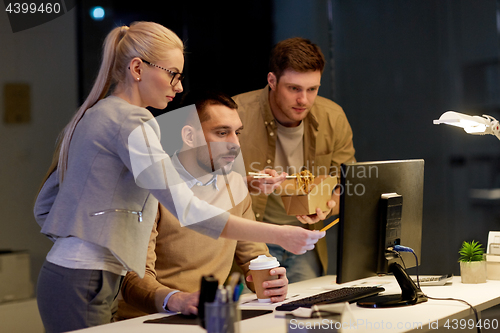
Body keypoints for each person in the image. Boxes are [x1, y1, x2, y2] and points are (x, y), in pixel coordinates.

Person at [33, 23, 323, 332]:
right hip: (85, 277)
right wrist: (281, 234)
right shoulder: (133, 120)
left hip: (73, 273)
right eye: (173, 73)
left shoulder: (99, 113)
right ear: (137, 68)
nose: (179, 86)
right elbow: (187, 208)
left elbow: (46, 204)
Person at [116, 91, 288, 320]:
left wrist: (270, 282)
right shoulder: (152, 188)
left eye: (237, 133)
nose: (235, 144)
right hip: (149, 321)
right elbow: (132, 278)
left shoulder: (236, 186)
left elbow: (253, 259)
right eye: (222, 133)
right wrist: (176, 299)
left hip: (205, 317)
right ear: (189, 136)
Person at [233, 37, 356, 283]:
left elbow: (347, 186)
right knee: (252, 317)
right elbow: (195, 177)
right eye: (294, 89)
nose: (304, 100)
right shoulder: (235, 111)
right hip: (249, 241)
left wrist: (326, 207)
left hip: (303, 239)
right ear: (272, 81)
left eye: (312, 89)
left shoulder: (333, 116)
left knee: (309, 312)